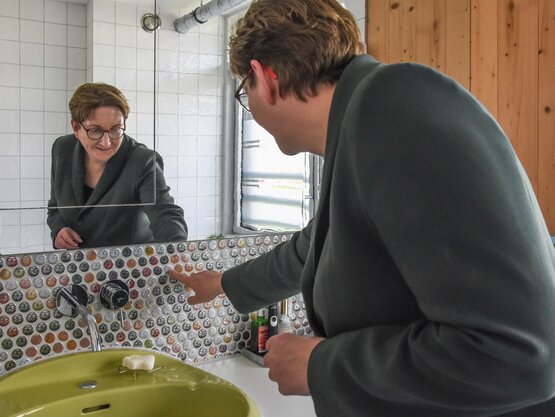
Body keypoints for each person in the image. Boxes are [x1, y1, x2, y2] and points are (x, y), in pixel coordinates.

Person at [170, 0, 555, 416]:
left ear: (264, 78)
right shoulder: (362, 123)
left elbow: (519, 355)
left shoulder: (393, 106)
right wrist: (224, 284)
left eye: (245, 92)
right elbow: (312, 248)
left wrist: (321, 365)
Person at [47, 82, 188, 249]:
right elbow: (55, 206)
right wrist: (59, 230)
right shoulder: (62, 149)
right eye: (95, 130)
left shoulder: (143, 161)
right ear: (76, 128)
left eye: (116, 129)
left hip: (131, 267)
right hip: (78, 268)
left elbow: (165, 214)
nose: (106, 142)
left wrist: (176, 254)